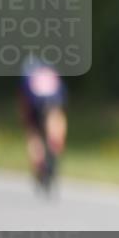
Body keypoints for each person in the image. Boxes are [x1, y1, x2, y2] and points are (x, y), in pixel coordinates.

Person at [19, 58, 68, 194]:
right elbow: (63, 99)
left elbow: (25, 104)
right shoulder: (52, 74)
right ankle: (54, 150)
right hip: (53, 103)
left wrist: (28, 123)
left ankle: (40, 165)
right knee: (56, 122)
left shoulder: (27, 77)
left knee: (33, 135)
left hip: (35, 105)